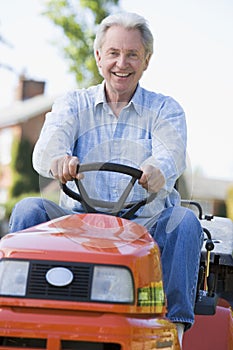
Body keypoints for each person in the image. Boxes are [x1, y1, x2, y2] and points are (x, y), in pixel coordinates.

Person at [9, 11, 203, 347]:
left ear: (146, 60)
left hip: (145, 226)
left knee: (184, 222)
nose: (121, 63)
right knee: (29, 210)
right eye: (113, 53)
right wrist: (59, 160)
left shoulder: (165, 110)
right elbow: (45, 152)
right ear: (99, 57)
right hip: (77, 224)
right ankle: (17, 316)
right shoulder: (73, 104)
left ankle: (173, 332)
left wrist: (158, 170)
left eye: (132, 54)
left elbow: (170, 153)